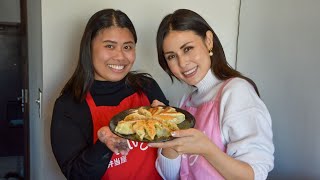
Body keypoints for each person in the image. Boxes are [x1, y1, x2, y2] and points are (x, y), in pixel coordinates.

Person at [148, 9, 274, 180]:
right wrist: (167, 129)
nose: (182, 63)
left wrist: (207, 149)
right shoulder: (186, 100)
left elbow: (254, 175)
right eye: (171, 56)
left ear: (208, 41)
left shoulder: (236, 92)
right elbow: (172, 176)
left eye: (188, 49)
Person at [50, 9, 168, 180]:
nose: (120, 56)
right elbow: (76, 175)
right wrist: (105, 145)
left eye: (127, 47)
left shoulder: (147, 87)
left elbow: (169, 148)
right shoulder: (69, 105)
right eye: (109, 46)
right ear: (89, 48)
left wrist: (168, 125)